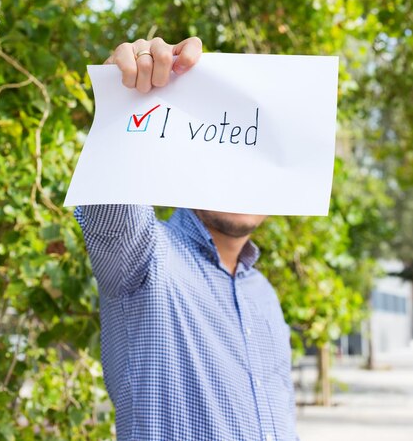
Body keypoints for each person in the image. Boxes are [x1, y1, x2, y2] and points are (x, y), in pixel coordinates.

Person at [75, 36, 299, 441]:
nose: (243, 172)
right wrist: (123, 99)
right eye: (231, 148)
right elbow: (111, 197)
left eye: (258, 154)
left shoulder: (264, 296)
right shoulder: (146, 262)